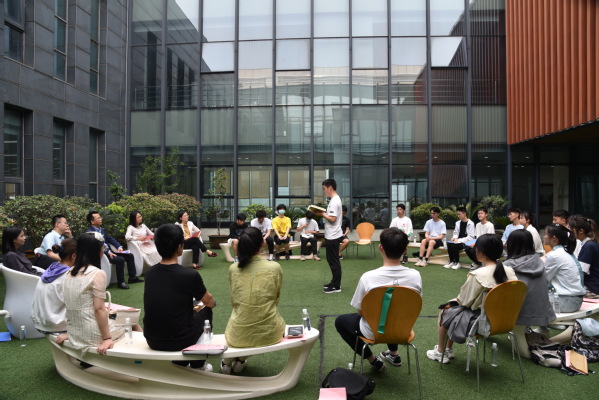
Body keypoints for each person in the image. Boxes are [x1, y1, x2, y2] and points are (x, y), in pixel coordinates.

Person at [335, 228, 422, 371]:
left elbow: (361, 312)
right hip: (402, 330)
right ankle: (394, 354)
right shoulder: (415, 276)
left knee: (340, 321)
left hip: (372, 331)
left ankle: (373, 360)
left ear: (380, 247)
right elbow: (413, 306)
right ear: (405, 250)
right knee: (394, 311)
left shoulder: (368, 277)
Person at [426, 234, 517, 363]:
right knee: (453, 309)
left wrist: (454, 300)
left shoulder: (478, 274)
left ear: (480, 252)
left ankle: (441, 352)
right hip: (505, 319)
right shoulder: (509, 271)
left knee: (445, 310)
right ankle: (447, 349)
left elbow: (464, 301)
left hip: (482, 321)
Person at [144, 224, 215, 371]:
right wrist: (210, 304)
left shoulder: (149, 274)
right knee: (207, 311)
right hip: (180, 341)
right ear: (179, 247)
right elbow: (209, 301)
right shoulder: (189, 275)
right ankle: (198, 365)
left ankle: (181, 363)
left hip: (152, 339)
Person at [59, 232, 141, 355]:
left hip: (74, 333)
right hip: (93, 334)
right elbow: (99, 309)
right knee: (131, 320)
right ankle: (143, 355)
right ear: (97, 251)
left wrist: (70, 334)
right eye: (103, 248)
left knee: (114, 316)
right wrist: (106, 338)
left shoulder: (68, 273)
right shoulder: (97, 273)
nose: (104, 251)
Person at [221, 227, 285, 374]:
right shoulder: (275, 267)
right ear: (262, 243)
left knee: (240, 328)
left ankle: (227, 363)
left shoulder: (233, 268)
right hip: (270, 331)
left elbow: (234, 300)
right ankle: (240, 360)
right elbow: (276, 298)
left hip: (238, 331)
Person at [503, 230, 555, 327]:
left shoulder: (507, 265)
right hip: (543, 313)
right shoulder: (539, 261)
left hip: (519, 315)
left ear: (511, 244)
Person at [30, 238, 77, 334]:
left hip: (40, 322)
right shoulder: (69, 274)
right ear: (74, 255)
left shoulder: (51, 268)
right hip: (57, 325)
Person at [87, 211, 143, 289]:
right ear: (92, 222)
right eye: (98, 218)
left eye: (100, 217)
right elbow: (98, 245)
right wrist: (108, 252)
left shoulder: (101, 230)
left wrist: (118, 246)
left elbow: (110, 239)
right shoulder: (90, 233)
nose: (101, 219)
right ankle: (121, 282)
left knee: (129, 256)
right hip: (102, 255)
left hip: (110, 252)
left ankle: (132, 278)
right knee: (120, 259)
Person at [543, 224, 586, 312]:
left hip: (565, 302)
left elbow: (544, 279)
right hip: (576, 301)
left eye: (546, 234)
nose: (544, 237)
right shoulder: (567, 252)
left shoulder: (554, 255)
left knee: (529, 299)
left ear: (554, 238)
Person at [315, 179, 344, 293]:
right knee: (331, 260)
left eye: (324, 189)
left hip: (333, 235)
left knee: (334, 261)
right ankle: (334, 282)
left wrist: (321, 213)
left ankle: (336, 286)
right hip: (332, 234)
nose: (324, 191)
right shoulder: (334, 199)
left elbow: (332, 219)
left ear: (330, 188)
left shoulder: (334, 201)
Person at [569, 215, 599, 298]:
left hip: (592, 287)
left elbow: (581, 271)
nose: (570, 232)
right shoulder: (590, 244)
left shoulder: (589, 246)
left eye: (571, 230)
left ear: (581, 231)